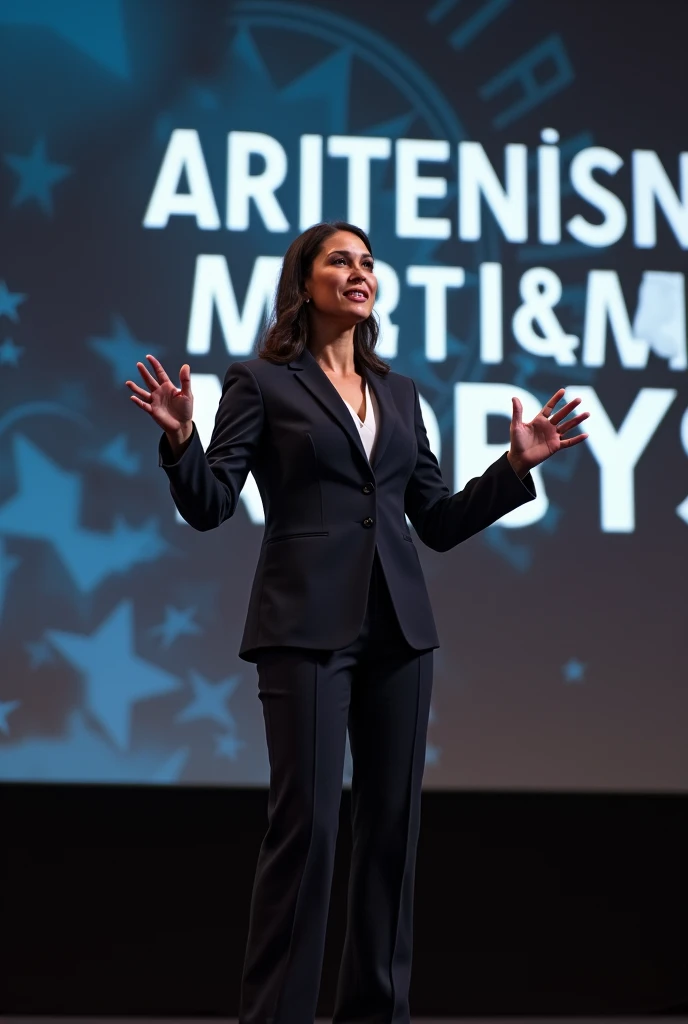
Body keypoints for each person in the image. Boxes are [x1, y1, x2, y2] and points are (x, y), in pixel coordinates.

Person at [126, 221, 589, 1024]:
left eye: (368, 261)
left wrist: (514, 468)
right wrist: (181, 443)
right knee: (308, 830)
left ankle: (377, 1013)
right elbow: (210, 507)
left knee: (391, 836)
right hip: (304, 625)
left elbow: (435, 521)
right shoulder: (262, 383)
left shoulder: (403, 394)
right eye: (339, 260)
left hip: (401, 632)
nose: (358, 271)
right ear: (304, 283)